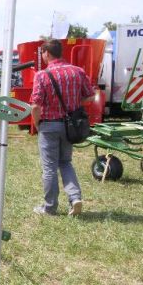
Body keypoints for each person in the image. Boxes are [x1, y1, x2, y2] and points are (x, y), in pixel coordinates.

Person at [29, 39, 95, 217]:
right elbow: (90, 97)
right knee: (65, 162)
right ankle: (75, 198)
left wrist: (37, 124)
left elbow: (35, 105)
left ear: (47, 53)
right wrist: (73, 104)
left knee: (49, 167)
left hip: (49, 126)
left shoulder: (42, 75)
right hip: (70, 126)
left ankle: (49, 208)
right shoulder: (78, 72)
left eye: (42, 53)